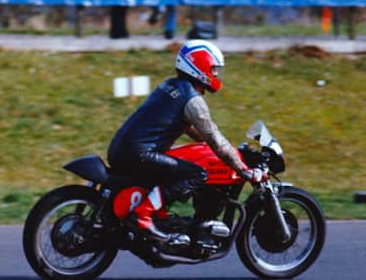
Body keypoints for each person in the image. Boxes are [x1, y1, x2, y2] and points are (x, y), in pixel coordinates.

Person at [107, 40, 262, 244]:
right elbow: (215, 138)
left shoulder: (169, 86)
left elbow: (189, 128)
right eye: (214, 69)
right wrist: (242, 168)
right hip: (140, 154)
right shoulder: (192, 100)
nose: (216, 75)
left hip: (123, 148)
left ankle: (160, 216)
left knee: (176, 165)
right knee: (196, 173)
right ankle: (143, 215)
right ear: (200, 66)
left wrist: (210, 146)